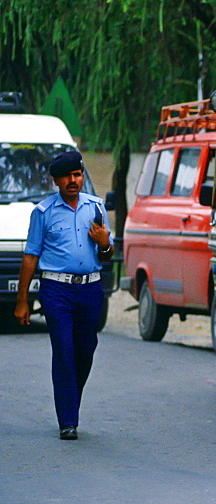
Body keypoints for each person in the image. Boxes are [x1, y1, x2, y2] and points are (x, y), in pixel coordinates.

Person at [14, 150, 114, 440]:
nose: (73, 180)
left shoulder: (95, 208)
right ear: (56, 180)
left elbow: (108, 254)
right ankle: (67, 420)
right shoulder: (43, 212)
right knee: (64, 348)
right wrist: (22, 301)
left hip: (90, 288)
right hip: (56, 289)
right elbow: (31, 257)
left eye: (77, 174)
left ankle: (70, 400)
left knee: (85, 350)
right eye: (67, 176)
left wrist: (104, 243)